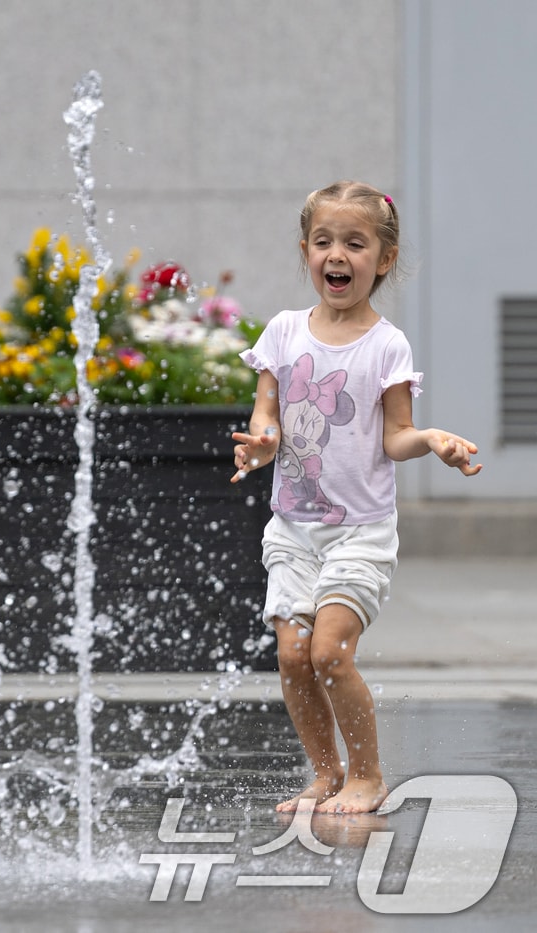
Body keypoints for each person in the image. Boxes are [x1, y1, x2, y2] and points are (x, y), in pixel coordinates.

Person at [230, 181, 481, 814]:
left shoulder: (386, 346)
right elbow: (267, 415)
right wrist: (262, 445)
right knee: (292, 657)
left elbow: (395, 437)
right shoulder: (284, 334)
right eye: (323, 242)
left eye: (354, 243)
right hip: (293, 528)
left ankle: (367, 776)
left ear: (384, 259)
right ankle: (324, 772)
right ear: (306, 252)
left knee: (329, 653)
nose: (336, 254)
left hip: (360, 531)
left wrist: (428, 438)